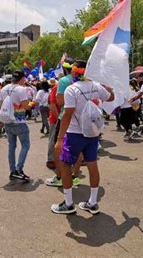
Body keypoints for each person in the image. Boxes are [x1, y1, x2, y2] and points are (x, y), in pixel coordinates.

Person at [51, 60, 114, 215]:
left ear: (73, 72)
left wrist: (59, 139)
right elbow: (111, 98)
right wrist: (109, 90)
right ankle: (92, 203)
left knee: (66, 166)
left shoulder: (72, 90)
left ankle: (68, 203)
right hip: (93, 133)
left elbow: (68, 114)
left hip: (74, 134)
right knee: (92, 165)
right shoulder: (96, 87)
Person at [46, 58, 82, 187]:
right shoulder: (88, 82)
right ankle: (74, 176)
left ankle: (60, 177)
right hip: (82, 118)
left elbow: (60, 102)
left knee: (59, 145)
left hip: (66, 116)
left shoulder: (64, 81)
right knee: (79, 148)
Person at [0, 70, 32, 181]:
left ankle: (12, 170)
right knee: (25, 145)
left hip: (8, 121)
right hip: (19, 121)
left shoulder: (4, 88)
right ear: (22, 79)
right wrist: (31, 103)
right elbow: (26, 106)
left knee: (11, 147)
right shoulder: (21, 89)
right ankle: (19, 169)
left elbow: (1, 105)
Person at [46, 78, 59, 169]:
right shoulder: (55, 88)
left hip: (66, 119)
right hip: (55, 119)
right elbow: (51, 104)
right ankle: (51, 159)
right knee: (52, 139)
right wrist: (59, 118)